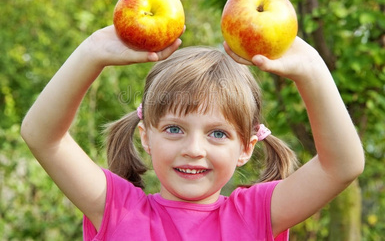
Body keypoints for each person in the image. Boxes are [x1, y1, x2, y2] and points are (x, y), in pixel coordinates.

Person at [21, 25, 365, 241]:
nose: (194, 149)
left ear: (246, 147)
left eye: (217, 134)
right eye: (174, 129)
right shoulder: (116, 209)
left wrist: (313, 71)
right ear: (146, 136)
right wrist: (92, 52)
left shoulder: (256, 214)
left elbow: (342, 166)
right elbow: (42, 135)